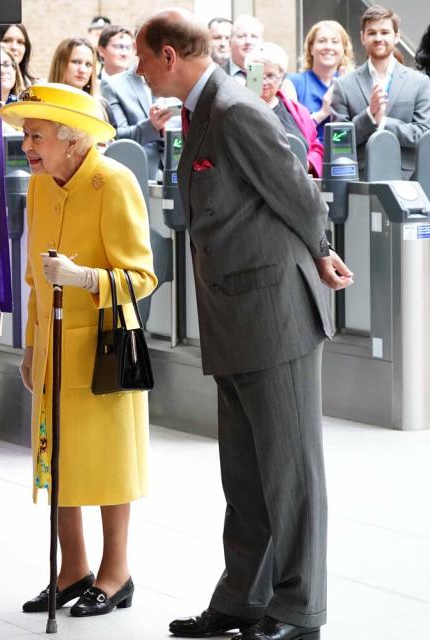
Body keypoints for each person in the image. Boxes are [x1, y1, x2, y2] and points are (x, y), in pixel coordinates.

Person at [135, 8, 353, 640]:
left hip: (273, 313)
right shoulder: (203, 111)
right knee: (245, 472)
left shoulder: (235, 111)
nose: (143, 71)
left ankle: (299, 609)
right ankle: (242, 598)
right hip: (234, 314)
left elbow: (298, 191)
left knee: (290, 473)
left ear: (170, 56)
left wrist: (321, 249)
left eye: (146, 59)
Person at [0, 82, 156, 618]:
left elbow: (143, 276)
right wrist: (31, 346)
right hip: (53, 348)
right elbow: (36, 280)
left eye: (36, 136)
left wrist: (86, 277)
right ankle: (73, 568)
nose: (27, 147)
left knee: (107, 464)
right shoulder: (42, 186)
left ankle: (116, 572)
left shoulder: (113, 182)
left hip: (105, 350)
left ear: (73, 140)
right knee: (56, 459)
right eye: (26, 135)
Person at [330, 5, 430, 179]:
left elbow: (423, 133)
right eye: (371, 33)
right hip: (359, 180)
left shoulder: (420, 82)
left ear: (397, 36)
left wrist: (383, 122)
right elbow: (338, 143)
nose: (378, 38)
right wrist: (369, 116)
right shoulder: (343, 85)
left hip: (408, 179)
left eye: (384, 32)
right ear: (362, 37)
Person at [247, 43, 324, 177]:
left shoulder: (298, 111)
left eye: (270, 75)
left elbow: (316, 147)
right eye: (258, 75)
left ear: (281, 77)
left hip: (295, 184)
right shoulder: (239, 110)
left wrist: (306, 163)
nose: (264, 82)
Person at [101, 54, 173, 179]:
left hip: (177, 173)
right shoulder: (113, 84)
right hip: (136, 175)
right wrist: (151, 126)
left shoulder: (178, 81)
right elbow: (116, 136)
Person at [287, 20, 354, 144]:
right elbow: (290, 132)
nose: (328, 47)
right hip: (306, 160)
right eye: (322, 41)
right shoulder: (293, 83)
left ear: (344, 49)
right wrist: (323, 113)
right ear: (311, 48)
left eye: (335, 42)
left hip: (342, 157)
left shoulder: (352, 83)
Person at [224, 15, 263, 85]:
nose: (248, 42)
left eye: (254, 36)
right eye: (241, 36)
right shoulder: (216, 74)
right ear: (230, 42)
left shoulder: (274, 77)